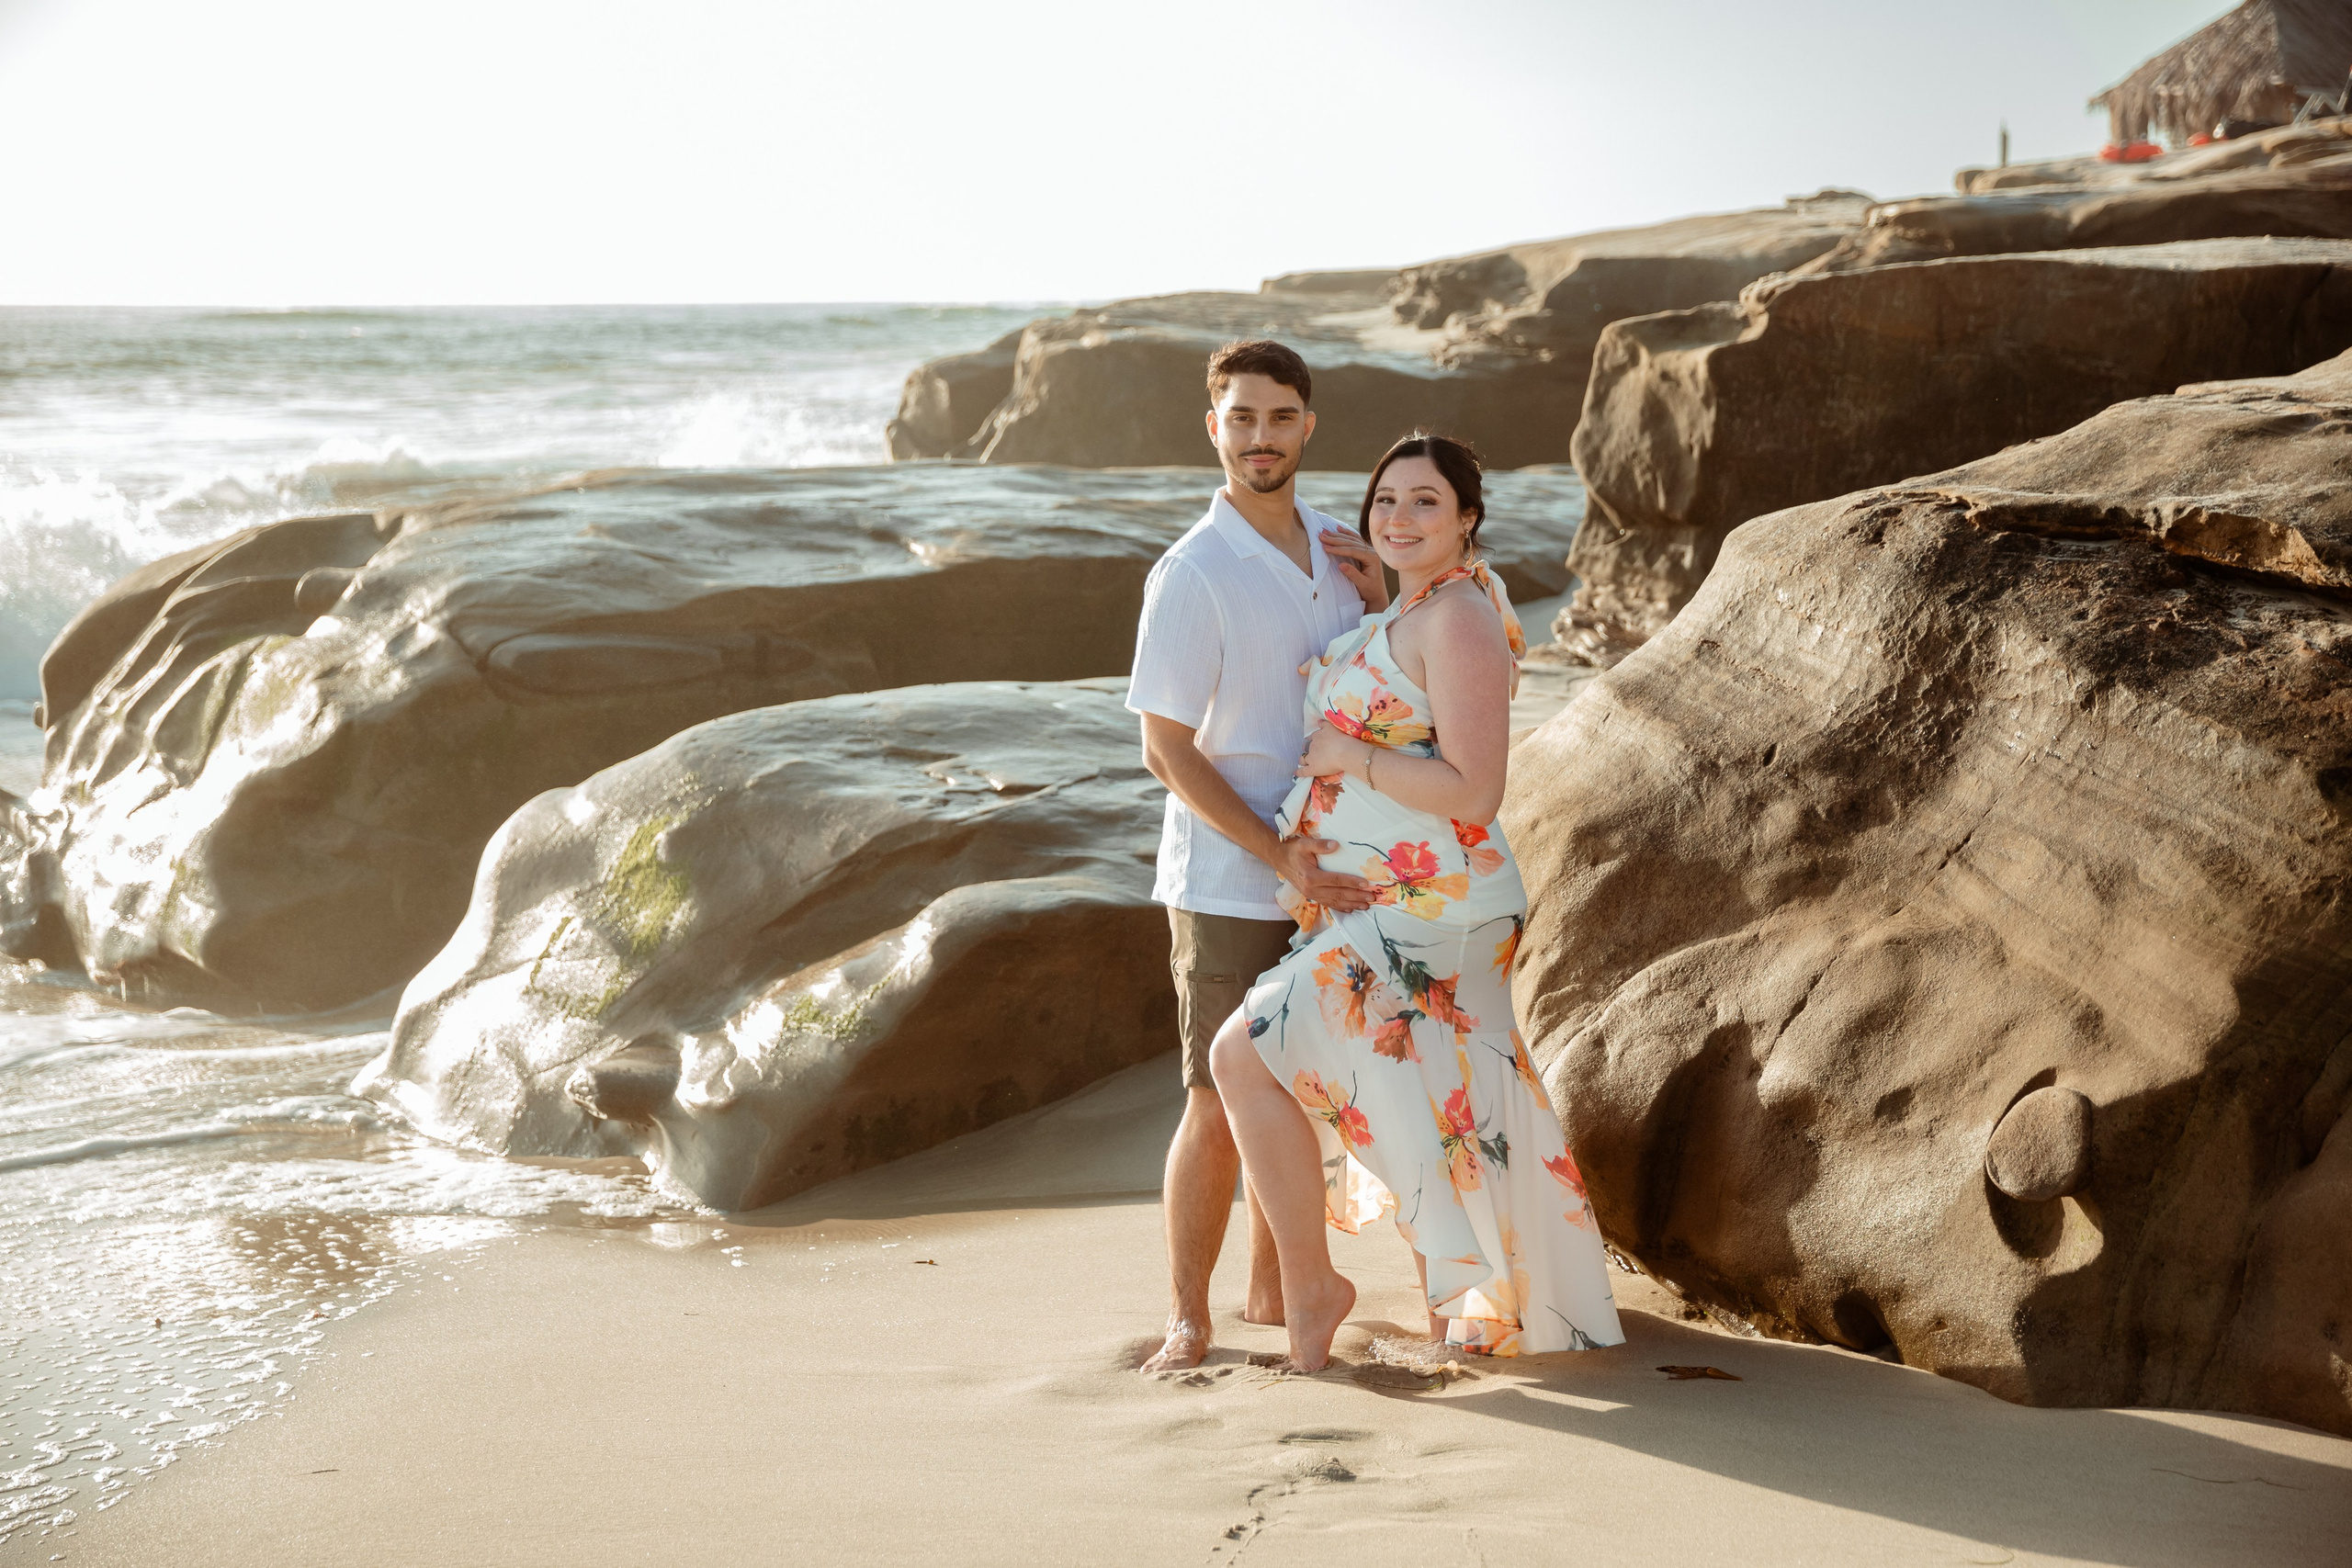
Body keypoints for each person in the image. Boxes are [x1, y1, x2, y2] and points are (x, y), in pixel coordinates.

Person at [1208, 432, 1626, 1371]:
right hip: (1403, 898)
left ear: (1467, 518)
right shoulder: (1422, 607)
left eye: (1424, 502)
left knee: (1241, 1055)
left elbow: (1474, 789)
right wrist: (1373, 586)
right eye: (1384, 501)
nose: (1398, 517)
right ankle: (1475, 1305)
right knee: (1447, 1100)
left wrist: (1347, 757)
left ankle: (1317, 1288)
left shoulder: (1459, 621)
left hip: (1440, 904)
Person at [1127, 339, 1390, 1374]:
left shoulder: (1338, 549)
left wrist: (1380, 601)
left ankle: (1273, 1290)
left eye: (1278, 418)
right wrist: (1276, 851)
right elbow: (1164, 747)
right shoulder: (1193, 571)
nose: (1260, 438)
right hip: (1233, 879)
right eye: (1240, 419)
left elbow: (1378, 678)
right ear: (1214, 429)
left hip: (1334, 876)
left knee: (1297, 1091)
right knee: (1215, 1099)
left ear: (1306, 427)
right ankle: (1188, 1319)